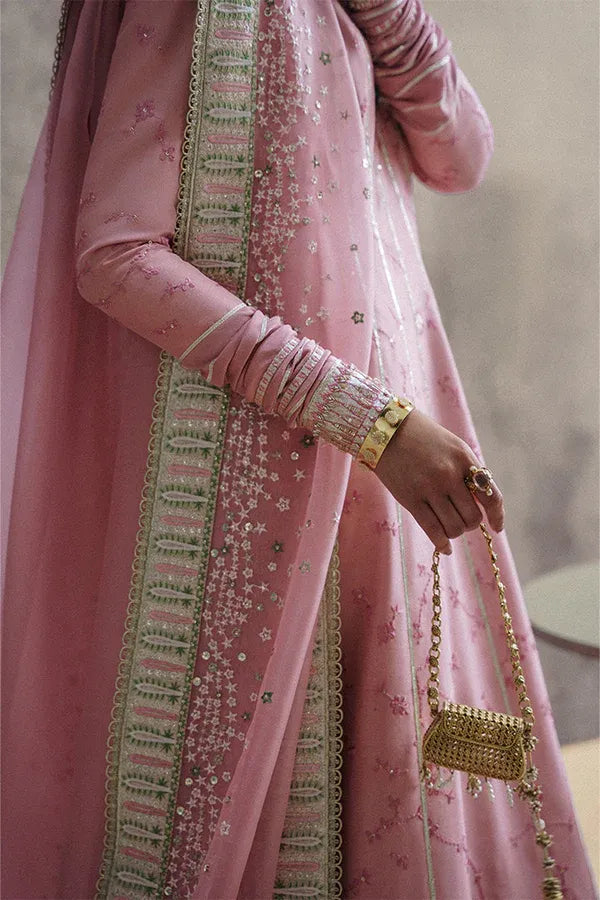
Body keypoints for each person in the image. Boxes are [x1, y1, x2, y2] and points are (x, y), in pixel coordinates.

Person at [1, 1, 596, 898]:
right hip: (271, 477)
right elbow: (116, 255)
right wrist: (372, 423)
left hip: (380, 466)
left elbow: (461, 156)